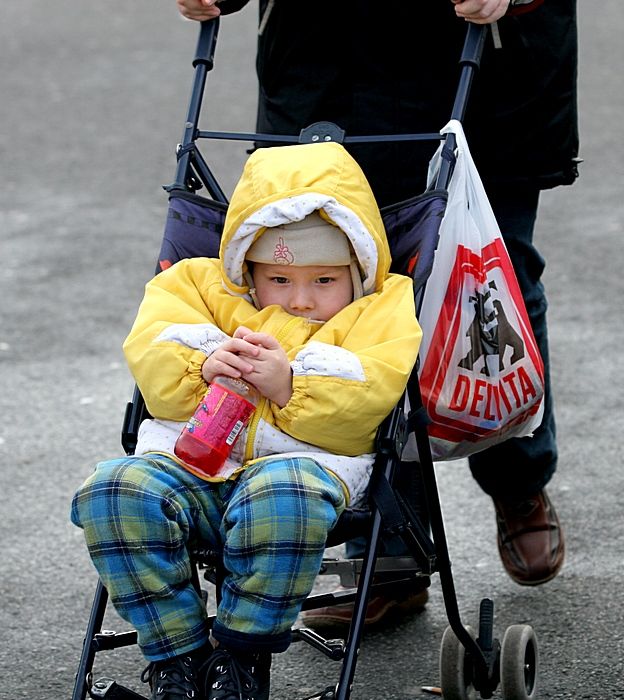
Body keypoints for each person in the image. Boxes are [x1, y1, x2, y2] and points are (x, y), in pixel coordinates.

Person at [175, 0, 578, 627]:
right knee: (324, 285)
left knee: (490, 278)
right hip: (325, 58)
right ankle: (386, 559)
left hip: (481, 49)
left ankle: (516, 472)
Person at [71, 141, 422, 700]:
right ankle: (180, 656)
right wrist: (200, 365)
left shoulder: (381, 309)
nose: (300, 301)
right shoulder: (196, 287)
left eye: (324, 281)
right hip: (188, 463)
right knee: (114, 490)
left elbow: (370, 398)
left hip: (304, 470)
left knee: (282, 495)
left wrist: (291, 387)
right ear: (247, 268)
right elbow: (152, 355)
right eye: (279, 280)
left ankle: (239, 657)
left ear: (356, 269)